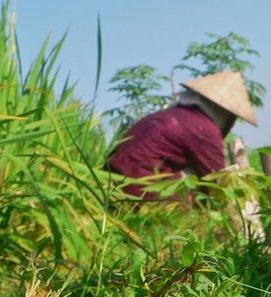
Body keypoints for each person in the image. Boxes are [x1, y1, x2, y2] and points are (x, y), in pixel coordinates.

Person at [107, 71, 257, 200]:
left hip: (110, 183)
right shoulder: (204, 129)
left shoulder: (169, 115)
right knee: (191, 195)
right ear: (224, 113)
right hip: (139, 191)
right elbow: (215, 185)